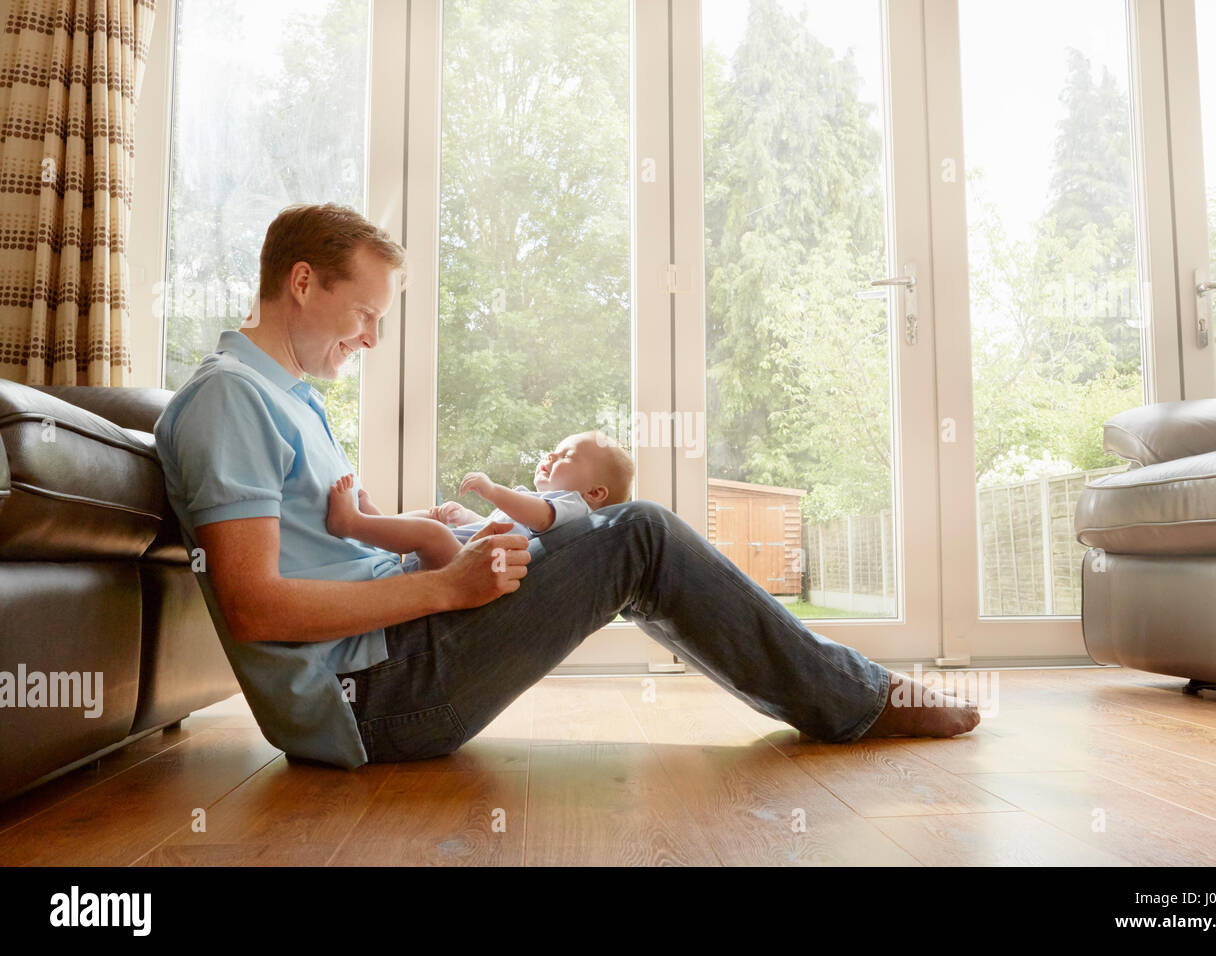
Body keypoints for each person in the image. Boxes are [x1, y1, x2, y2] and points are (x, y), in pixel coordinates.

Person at [153, 202, 979, 770]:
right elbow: (257, 604)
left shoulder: (288, 401)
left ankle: (849, 686)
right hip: (369, 698)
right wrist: (445, 586)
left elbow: (323, 551)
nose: (371, 337)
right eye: (365, 314)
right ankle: (859, 698)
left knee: (603, 523)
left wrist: (434, 536)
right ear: (302, 283)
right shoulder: (230, 398)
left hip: (394, 656)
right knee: (639, 535)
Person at [322, 430, 635, 571]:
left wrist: (493, 490)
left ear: (594, 492)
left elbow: (539, 517)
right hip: (461, 555)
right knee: (437, 517)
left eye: (567, 455)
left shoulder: (573, 505)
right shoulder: (535, 502)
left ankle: (351, 524)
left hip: (465, 566)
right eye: (555, 448)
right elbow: (494, 528)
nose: (552, 454)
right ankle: (378, 526)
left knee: (434, 533)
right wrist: (468, 518)